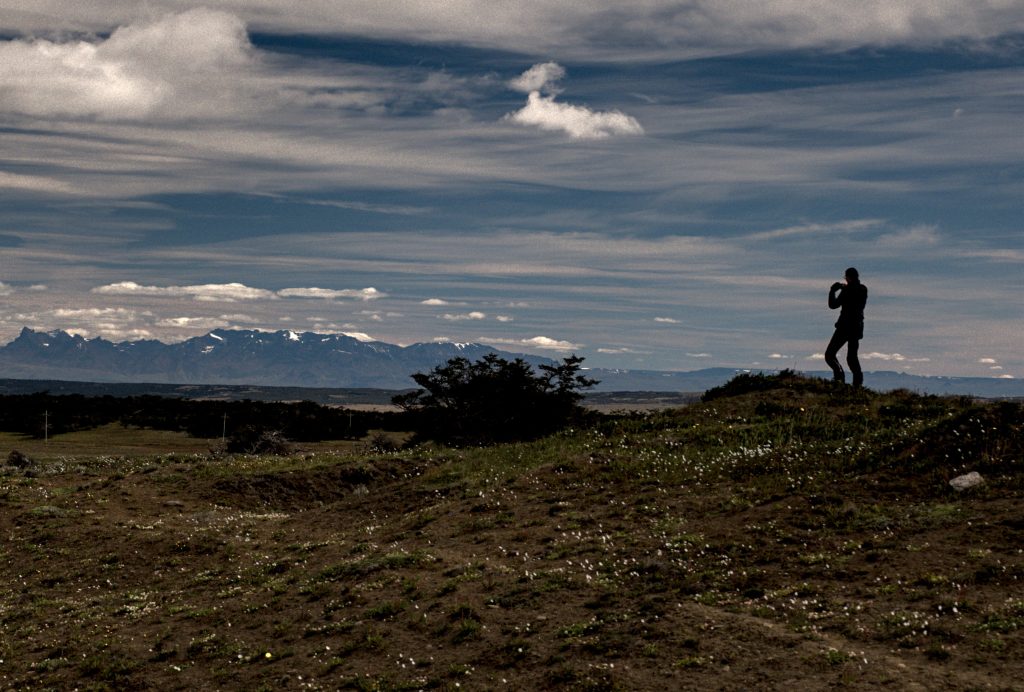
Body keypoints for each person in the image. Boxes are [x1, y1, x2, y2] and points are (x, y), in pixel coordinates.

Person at [825, 267, 868, 387]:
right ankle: (857, 386)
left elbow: (833, 305)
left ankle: (839, 378)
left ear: (848, 277)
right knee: (852, 357)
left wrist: (833, 291)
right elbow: (855, 290)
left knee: (830, 354)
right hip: (857, 327)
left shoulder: (847, 290)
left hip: (844, 327)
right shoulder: (863, 289)